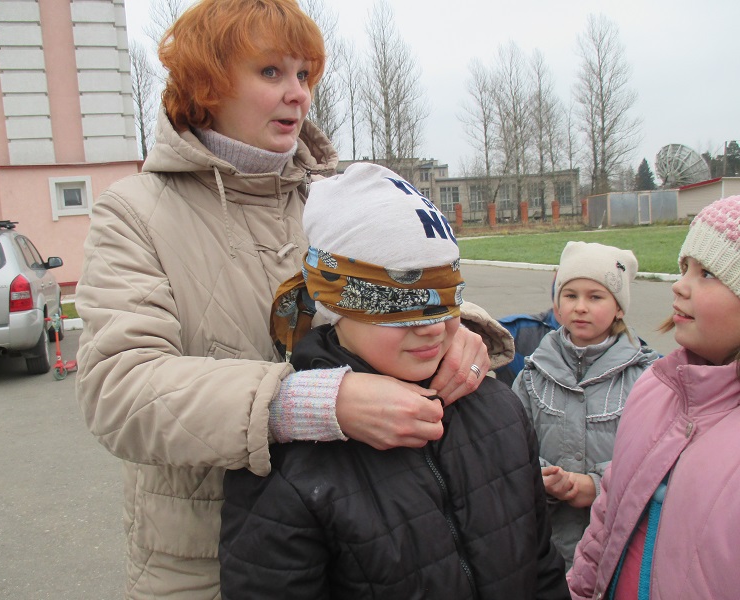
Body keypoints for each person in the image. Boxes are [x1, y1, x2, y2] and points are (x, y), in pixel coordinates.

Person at [74, 1, 491, 597]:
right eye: (271, 72)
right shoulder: (134, 212)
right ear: (207, 83)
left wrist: (460, 330)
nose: (298, 93)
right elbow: (120, 390)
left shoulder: (335, 196)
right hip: (202, 563)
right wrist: (310, 402)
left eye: (303, 74)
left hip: (354, 545)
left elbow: (405, 288)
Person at [219, 163, 568, 600]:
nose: (432, 326)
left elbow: (542, 567)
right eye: (397, 302)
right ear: (335, 303)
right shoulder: (289, 465)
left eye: (445, 297)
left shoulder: (500, 410)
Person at [568, 196, 740, 600]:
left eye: (707, 273)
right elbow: (608, 516)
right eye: (684, 268)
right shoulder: (654, 388)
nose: (679, 285)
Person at [512, 241, 658, 569]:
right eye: (570, 295)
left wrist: (596, 486)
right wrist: (540, 476)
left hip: (618, 548)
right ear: (557, 304)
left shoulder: (646, 377)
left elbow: (654, 456)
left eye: (595, 297)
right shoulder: (532, 374)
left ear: (619, 308)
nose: (580, 307)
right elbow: (512, 445)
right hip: (547, 547)